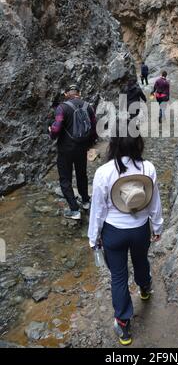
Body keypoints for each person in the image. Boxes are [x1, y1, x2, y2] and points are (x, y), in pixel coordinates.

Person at [88, 126, 163, 346]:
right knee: (141, 261)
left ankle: (123, 324)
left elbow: (98, 210)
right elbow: (154, 201)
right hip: (140, 229)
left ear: (114, 144)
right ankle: (145, 287)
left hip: (113, 233)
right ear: (138, 142)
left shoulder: (104, 172)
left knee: (118, 277)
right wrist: (157, 228)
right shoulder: (147, 167)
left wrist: (94, 238)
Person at [49, 84, 97, 220]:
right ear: (79, 93)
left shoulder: (62, 108)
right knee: (82, 174)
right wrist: (89, 144)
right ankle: (86, 201)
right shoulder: (88, 106)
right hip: (82, 147)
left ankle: (74, 210)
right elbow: (93, 127)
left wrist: (50, 133)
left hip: (65, 149)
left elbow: (57, 129)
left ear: (66, 94)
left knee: (65, 178)